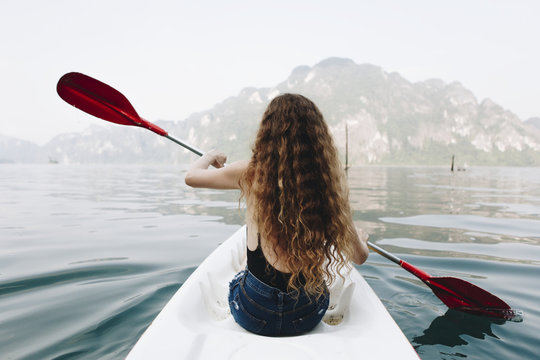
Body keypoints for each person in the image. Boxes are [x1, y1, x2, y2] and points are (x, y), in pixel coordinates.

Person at [185, 93, 369, 336]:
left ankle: (247, 264)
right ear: (317, 138)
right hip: (305, 314)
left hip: (254, 311)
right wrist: (361, 239)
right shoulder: (329, 185)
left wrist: (210, 156)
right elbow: (359, 257)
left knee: (247, 258)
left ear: (267, 134)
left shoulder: (249, 173)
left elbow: (191, 177)